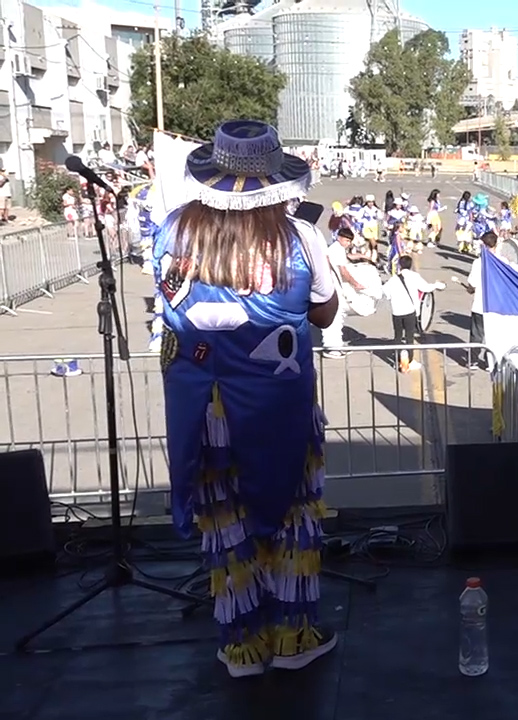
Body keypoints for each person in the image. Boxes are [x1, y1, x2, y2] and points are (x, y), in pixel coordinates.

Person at [151, 119, 339, 678]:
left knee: (222, 516)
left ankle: (242, 646)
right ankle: (291, 637)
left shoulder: (172, 231)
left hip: (199, 400)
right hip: (274, 398)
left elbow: (170, 306)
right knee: (291, 510)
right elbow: (324, 312)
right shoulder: (298, 236)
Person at [384, 255, 443, 372]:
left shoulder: (393, 279)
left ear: (399, 265)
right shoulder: (414, 276)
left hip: (397, 312)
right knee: (409, 337)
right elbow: (426, 288)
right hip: (410, 311)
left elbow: (386, 293)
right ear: (410, 265)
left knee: (397, 336)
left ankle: (397, 361)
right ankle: (409, 361)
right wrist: (437, 285)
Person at [462, 231, 501, 370]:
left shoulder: (478, 262)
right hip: (497, 306)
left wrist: (470, 289)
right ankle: (490, 362)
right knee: (494, 336)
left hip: (480, 305)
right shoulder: (503, 262)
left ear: (484, 245)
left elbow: (472, 284)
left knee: (476, 335)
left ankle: (472, 361)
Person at [323, 227, 362, 358]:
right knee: (334, 318)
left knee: (338, 317)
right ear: (339, 238)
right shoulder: (338, 250)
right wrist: (355, 283)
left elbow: (347, 257)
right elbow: (343, 271)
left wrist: (362, 256)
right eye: (346, 240)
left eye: (349, 241)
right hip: (334, 288)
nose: (348, 243)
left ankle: (337, 345)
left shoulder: (335, 248)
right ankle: (331, 348)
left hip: (332, 287)